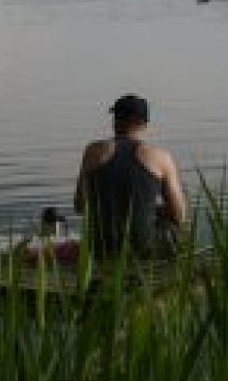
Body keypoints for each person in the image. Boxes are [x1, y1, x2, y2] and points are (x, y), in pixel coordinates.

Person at [77, 93, 188, 258]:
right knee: (176, 222)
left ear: (115, 121)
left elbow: (80, 205)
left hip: (101, 248)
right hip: (144, 250)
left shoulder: (92, 152)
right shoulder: (161, 157)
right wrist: (153, 211)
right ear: (145, 124)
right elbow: (179, 216)